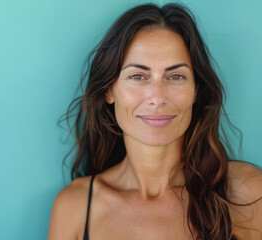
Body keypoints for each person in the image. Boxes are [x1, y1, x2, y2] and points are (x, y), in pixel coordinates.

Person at [48, 3, 262, 240]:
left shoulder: (247, 192)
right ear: (108, 91)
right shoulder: (75, 207)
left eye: (176, 76)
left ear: (195, 91)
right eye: (138, 76)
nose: (158, 98)